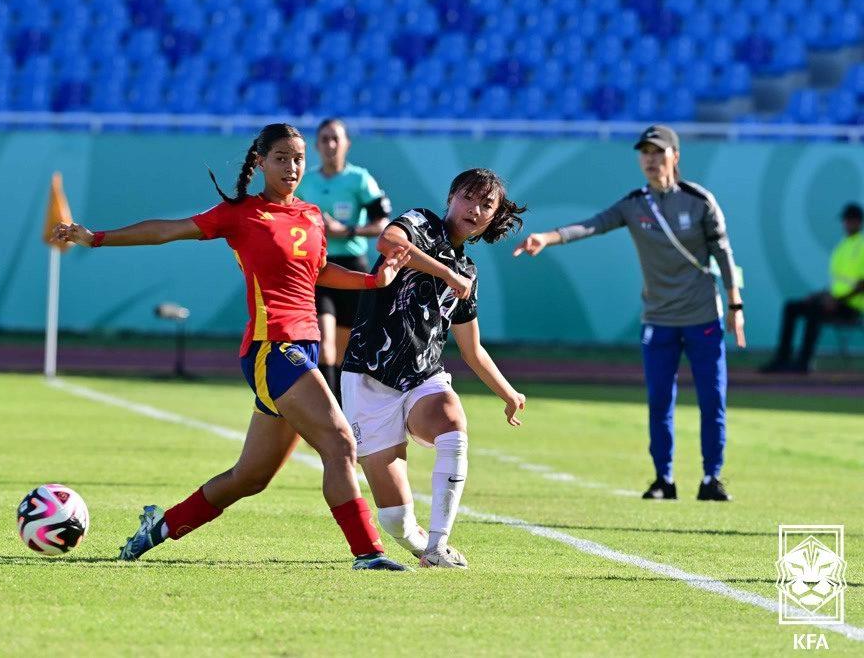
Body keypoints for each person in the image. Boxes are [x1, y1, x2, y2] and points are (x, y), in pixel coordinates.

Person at [52, 123, 409, 571]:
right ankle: (369, 553)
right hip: (270, 349)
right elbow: (168, 230)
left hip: (303, 349)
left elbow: (318, 272)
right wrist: (97, 237)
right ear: (260, 162)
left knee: (250, 478)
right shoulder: (240, 213)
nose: (292, 167)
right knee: (339, 442)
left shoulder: (312, 215)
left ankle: (157, 528)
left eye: (298, 159)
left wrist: (374, 280)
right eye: (281, 157)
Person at [514, 125, 745, 502]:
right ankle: (663, 479)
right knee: (659, 401)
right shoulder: (634, 205)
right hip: (658, 319)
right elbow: (592, 224)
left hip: (703, 316)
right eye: (645, 153)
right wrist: (548, 237)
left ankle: (711, 478)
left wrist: (735, 307)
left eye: (658, 152)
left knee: (712, 399)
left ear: (675, 156)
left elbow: (724, 254)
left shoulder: (699, 201)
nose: (651, 160)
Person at [342, 168, 528, 568]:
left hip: (423, 378)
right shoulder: (421, 222)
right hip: (368, 377)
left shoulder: (470, 274)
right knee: (396, 520)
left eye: (486, 205)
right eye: (468, 198)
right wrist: (444, 271)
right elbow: (389, 241)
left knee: (452, 422)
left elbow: (472, 350)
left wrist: (508, 394)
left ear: (494, 218)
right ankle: (420, 544)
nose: (475, 209)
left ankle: (440, 544)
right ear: (450, 198)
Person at [296, 118, 391, 400]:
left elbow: (382, 224)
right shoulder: (306, 182)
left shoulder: (359, 179)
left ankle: (345, 413)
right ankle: (327, 414)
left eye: (336, 138)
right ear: (316, 145)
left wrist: (345, 230)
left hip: (352, 269)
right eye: (324, 139)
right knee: (324, 345)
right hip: (320, 269)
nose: (330, 144)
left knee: (345, 350)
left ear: (347, 143)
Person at [760, 202, 864, 374]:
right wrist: (818, 295)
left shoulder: (862, 245)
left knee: (815, 311)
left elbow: (861, 285)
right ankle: (782, 358)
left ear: (859, 222)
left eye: (850, 220)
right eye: (845, 220)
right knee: (792, 307)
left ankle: (803, 362)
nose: (846, 224)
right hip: (835, 302)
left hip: (852, 307)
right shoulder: (842, 247)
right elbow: (838, 284)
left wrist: (837, 301)